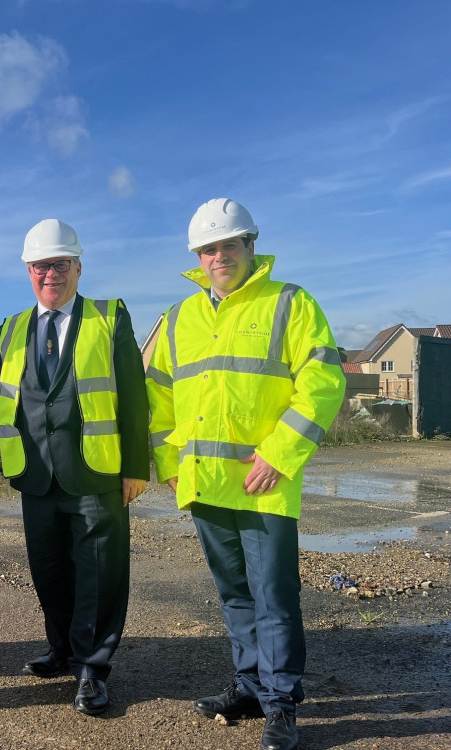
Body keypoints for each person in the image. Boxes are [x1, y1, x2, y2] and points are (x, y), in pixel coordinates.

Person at [0, 219, 150, 716]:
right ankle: (62, 650)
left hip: (97, 472)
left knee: (99, 573)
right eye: (42, 266)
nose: (51, 274)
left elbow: (134, 393)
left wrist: (136, 467)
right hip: (36, 475)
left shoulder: (110, 317)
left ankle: (92, 668)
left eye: (60, 264)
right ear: (28, 271)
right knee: (49, 571)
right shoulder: (13, 326)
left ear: (78, 267)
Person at [145, 199, 345, 750]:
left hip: (265, 483)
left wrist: (279, 454)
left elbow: (324, 381)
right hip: (205, 483)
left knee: (274, 595)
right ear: (197, 257)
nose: (218, 257)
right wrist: (168, 464)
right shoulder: (180, 318)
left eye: (227, 245)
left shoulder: (289, 303)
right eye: (207, 249)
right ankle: (251, 686)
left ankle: (281, 703)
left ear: (250, 244)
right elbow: (158, 398)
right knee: (234, 594)